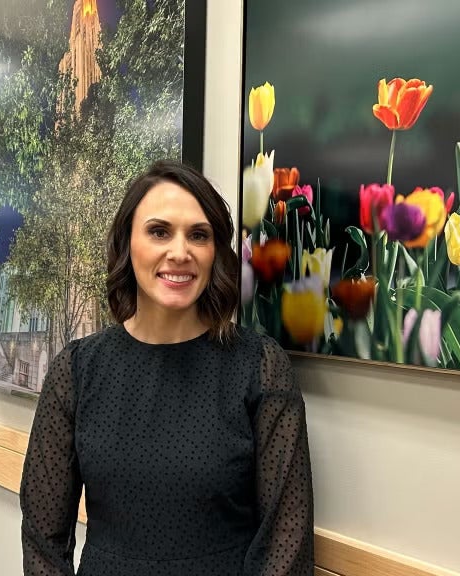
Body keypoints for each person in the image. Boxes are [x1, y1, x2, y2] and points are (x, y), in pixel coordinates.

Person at [20, 160, 314, 576]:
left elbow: (286, 544)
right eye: (159, 232)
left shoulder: (260, 368)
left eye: (199, 235)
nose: (180, 253)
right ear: (127, 244)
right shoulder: (76, 371)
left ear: (216, 252)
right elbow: (42, 540)